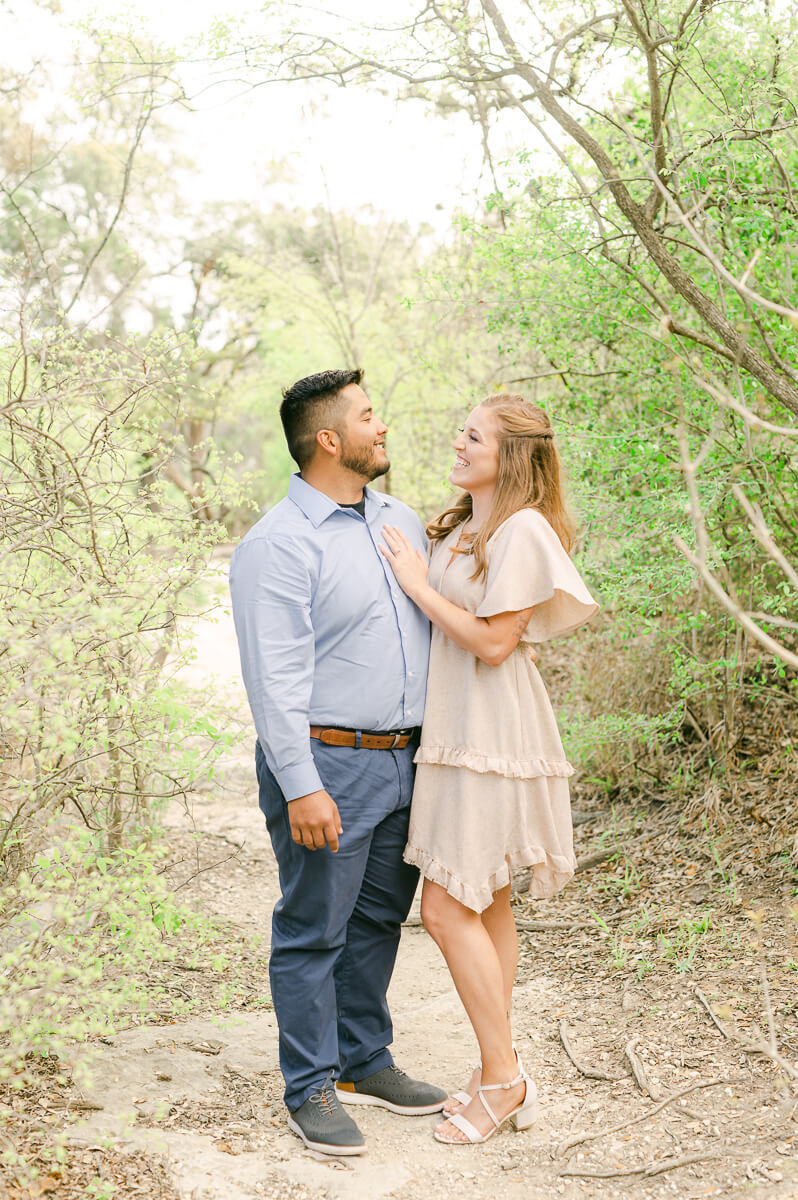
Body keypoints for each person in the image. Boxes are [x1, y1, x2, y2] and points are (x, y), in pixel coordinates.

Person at [229, 368, 447, 1157]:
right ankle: (311, 1083)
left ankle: (364, 1061)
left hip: (406, 761)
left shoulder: (400, 520)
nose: (380, 425)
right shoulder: (276, 546)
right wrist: (302, 785)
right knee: (313, 926)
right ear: (329, 439)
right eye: (367, 415)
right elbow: (272, 680)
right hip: (328, 762)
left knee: (379, 919)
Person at [379, 392, 598, 1146]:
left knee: (444, 910)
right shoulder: (472, 525)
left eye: (473, 435)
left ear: (510, 455)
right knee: (488, 904)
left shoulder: (525, 529)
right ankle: (494, 1071)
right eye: (461, 427)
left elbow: (498, 643)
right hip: (457, 722)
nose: (458, 440)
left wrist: (417, 584)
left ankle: (505, 1078)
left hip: (491, 728)